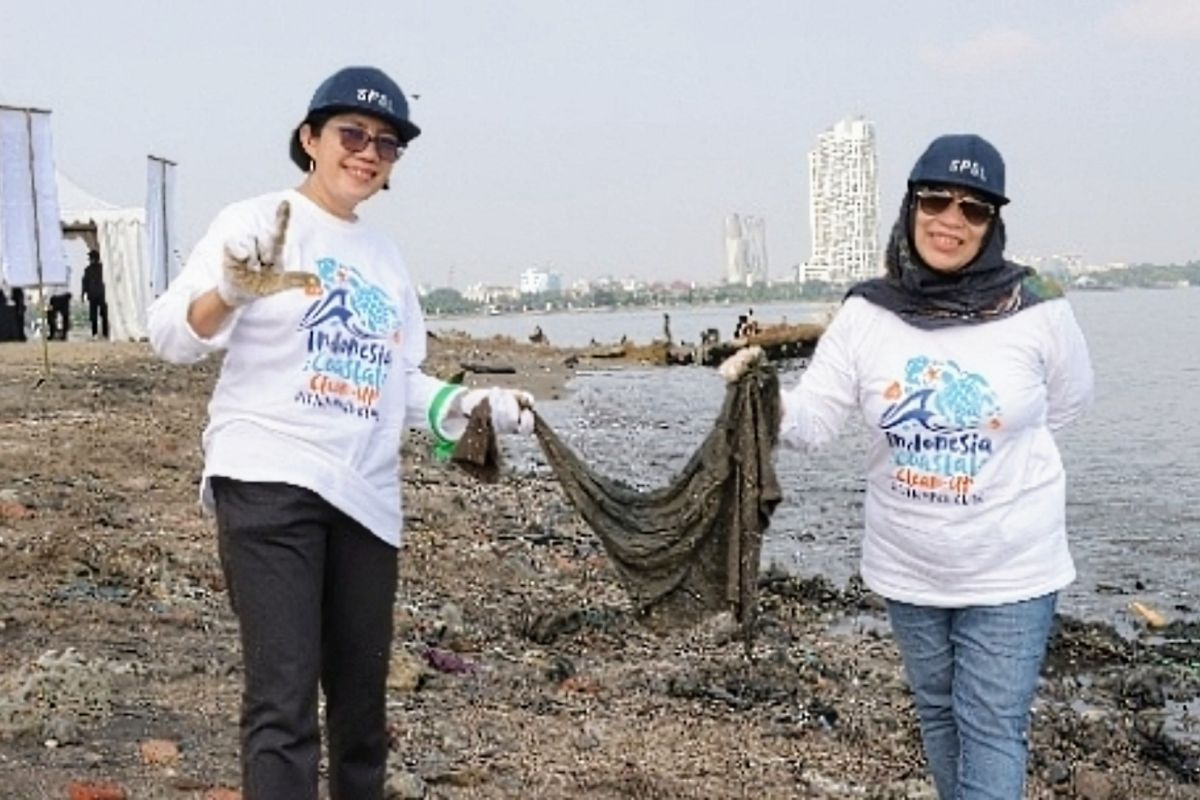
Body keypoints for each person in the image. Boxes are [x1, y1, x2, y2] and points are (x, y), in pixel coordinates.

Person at [147, 65, 535, 800]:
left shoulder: (385, 259)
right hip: (266, 483)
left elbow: (400, 379)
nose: (367, 152)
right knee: (284, 701)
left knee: (362, 711)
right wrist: (228, 291)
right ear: (310, 139)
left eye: (386, 144)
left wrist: (474, 402)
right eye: (351, 134)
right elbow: (170, 336)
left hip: (365, 497)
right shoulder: (254, 222)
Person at [772, 134, 1093, 798]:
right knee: (940, 716)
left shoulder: (1038, 303)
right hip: (909, 567)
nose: (951, 220)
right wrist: (757, 396)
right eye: (936, 200)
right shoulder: (867, 312)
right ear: (910, 206)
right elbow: (814, 422)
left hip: (1013, 567)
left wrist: (992, 469)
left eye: (973, 209)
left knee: (992, 727)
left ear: (992, 223)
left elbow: (1068, 404)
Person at [81, 249, 109, 339]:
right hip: (101, 294)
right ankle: (104, 333)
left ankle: (96, 333)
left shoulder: (88, 269)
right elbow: (85, 283)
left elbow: (84, 283)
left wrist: (83, 294)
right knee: (102, 314)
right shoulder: (102, 268)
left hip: (95, 294)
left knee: (96, 315)